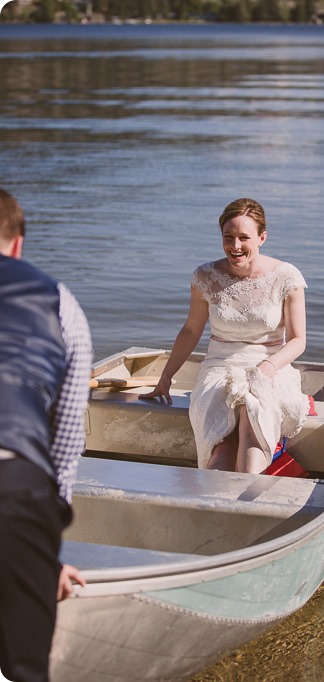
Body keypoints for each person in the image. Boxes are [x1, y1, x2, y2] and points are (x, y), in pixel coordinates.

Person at [143, 197, 310, 473]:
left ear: (262, 238)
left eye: (244, 238)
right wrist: (166, 377)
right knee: (222, 440)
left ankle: (247, 497)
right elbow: (191, 330)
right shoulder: (205, 276)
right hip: (219, 367)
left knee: (251, 413)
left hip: (271, 366)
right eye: (228, 237)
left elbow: (298, 340)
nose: (235, 247)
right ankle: (214, 503)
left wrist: (268, 367)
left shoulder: (287, 277)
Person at [0, 188, 93, 682]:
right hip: (16, 491)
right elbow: (66, 437)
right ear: (18, 245)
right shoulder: (58, 300)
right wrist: (43, 553)